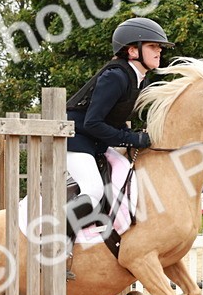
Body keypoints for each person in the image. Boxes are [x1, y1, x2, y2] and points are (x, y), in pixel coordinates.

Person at [62, 17, 174, 279]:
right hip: (76, 141)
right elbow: (92, 122)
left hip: (95, 143)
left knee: (130, 180)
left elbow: (112, 121)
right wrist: (132, 139)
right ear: (132, 50)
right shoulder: (116, 76)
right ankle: (59, 244)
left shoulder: (139, 79)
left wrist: (134, 136)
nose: (159, 51)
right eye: (153, 46)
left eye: (159, 47)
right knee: (93, 189)